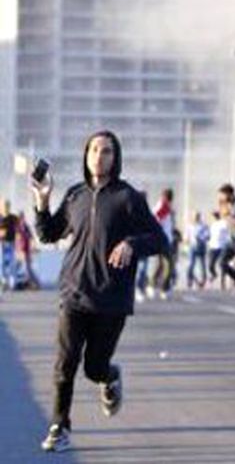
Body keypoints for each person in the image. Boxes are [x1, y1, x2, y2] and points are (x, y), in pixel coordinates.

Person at [32, 131, 169, 453]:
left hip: (111, 299)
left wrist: (131, 243)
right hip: (74, 293)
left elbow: (160, 240)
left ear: (115, 157)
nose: (99, 156)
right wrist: (42, 200)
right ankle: (59, 427)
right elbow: (48, 235)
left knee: (93, 367)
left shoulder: (128, 198)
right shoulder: (75, 195)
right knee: (64, 364)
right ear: (86, 155)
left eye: (106, 151)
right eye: (94, 149)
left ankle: (109, 376)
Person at [185, 211, 210, 290]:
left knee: (202, 265)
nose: (195, 218)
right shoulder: (189, 226)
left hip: (201, 246)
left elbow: (208, 236)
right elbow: (186, 237)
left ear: (199, 217)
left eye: (197, 216)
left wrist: (201, 238)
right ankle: (190, 280)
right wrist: (186, 240)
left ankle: (203, 281)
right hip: (192, 246)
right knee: (190, 265)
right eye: (194, 216)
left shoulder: (203, 226)